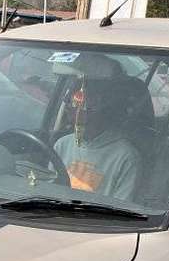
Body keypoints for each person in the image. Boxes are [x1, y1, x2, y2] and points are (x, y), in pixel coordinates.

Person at [53, 75, 144, 203]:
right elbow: (50, 190)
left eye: (78, 104)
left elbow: (121, 209)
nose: (69, 108)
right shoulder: (62, 144)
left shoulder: (126, 157)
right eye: (69, 102)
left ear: (102, 110)